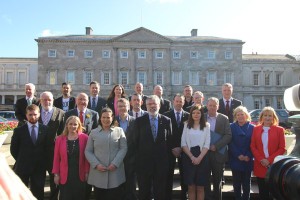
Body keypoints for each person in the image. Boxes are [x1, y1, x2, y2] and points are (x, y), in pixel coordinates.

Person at [133, 95, 173, 200]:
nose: (152, 106)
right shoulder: (139, 122)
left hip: (161, 163)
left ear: (159, 105)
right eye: (149, 104)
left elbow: (169, 143)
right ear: (145, 106)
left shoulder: (166, 121)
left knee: (160, 192)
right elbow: (135, 143)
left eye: (154, 103)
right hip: (144, 164)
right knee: (144, 191)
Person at [85, 107, 127, 200]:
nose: (106, 120)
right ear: (100, 118)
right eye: (103, 117)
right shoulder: (93, 132)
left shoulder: (119, 131)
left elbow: (123, 148)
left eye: (108, 117)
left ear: (112, 118)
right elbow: (88, 151)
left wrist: (115, 164)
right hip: (98, 173)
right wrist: (96, 165)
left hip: (115, 173)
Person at [10, 104, 50, 200]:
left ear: (39, 114)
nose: (33, 117)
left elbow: (47, 148)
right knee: (21, 193)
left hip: (39, 167)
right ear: (26, 115)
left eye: (35, 114)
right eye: (30, 114)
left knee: (38, 193)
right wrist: (22, 159)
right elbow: (13, 149)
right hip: (22, 167)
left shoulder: (45, 130)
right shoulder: (18, 131)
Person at [250, 106, 285, 200]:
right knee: (263, 193)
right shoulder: (256, 129)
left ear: (273, 117)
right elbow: (253, 146)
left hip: (273, 165)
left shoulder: (280, 130)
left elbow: (282, 148)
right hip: (260, 164)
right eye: (265, 115)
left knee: (273, 193)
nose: (267, 117)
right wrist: (261, 159)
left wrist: (269, 160)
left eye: (270, 115)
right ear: (262, 117)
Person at [52, 116, 89, 200]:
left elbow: (87, 157)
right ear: (66, 125)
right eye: (70, 124)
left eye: (75, 124)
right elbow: (56, 158)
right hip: (65, 175)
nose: (73, 126)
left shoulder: (85, 138)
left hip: (80, 174)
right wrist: (56, 174)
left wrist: (87, 172)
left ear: (79, 125)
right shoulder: (59, 139)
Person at [38, 91, 65, 200]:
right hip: (38, 154)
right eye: (44, 99)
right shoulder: (36, 113)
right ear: (40, 101)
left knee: (55, 180)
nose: (47, 102)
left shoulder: (61, 113)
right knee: (38, 181)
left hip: (54, 154)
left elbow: (63, 133)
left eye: (49, 99)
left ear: (53, 100)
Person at [204, 97, 232, 200]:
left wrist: (216, 146)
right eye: (210, 105)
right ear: (207, 106)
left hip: (218, 154)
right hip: (204, 155)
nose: (212, 107)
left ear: (218, 106)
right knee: (205, 181)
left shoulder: (224, 118)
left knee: (217, 182)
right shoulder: (201, 117)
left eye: (214, 105)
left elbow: (228, 135)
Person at [181, 105, 210, 200]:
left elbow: (207, 144)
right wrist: (192, 157)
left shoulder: (206, 126)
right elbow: (183, 143)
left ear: (202, 114)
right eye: (193, 113)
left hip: (202, 157)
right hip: (189, 157)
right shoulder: (186, 124)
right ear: (190, 114)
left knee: (200, 187)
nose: (196, 114)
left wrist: (199, 158)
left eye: (198, 112)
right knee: (191, 186)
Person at [164, 94, 190, 200]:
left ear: (183, 103)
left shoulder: (189, 116)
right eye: (177, 101)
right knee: (168, 176)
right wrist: (173, 148)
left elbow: (189, 134)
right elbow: (165, 135)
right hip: (170, 150)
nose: (179, 103)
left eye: (181, 101)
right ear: (173, 101)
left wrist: (181, 147)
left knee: (184, 176)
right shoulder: (166, 115)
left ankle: (184, 197)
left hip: (184, 150)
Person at [229, 106, 254, 200]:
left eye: (242, 114)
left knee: (247, 184)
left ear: (246, 115)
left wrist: (248, 155)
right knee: (236, 184)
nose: (240, 116)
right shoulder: (231, 126)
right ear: (235, 116)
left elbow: (254, 143)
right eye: (238, 115)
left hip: (248, 159)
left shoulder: (252, 127)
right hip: (235, 159)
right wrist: (238, 155)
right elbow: (230, 142)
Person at [116, 98, 137, 200]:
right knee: (118, 186)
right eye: (120, 106)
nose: (122, 108)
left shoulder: (135, 121)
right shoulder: (113, 121)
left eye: (124, 106)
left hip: (131, 159)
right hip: (116, 159)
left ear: (129, 107)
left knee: (130, 185)